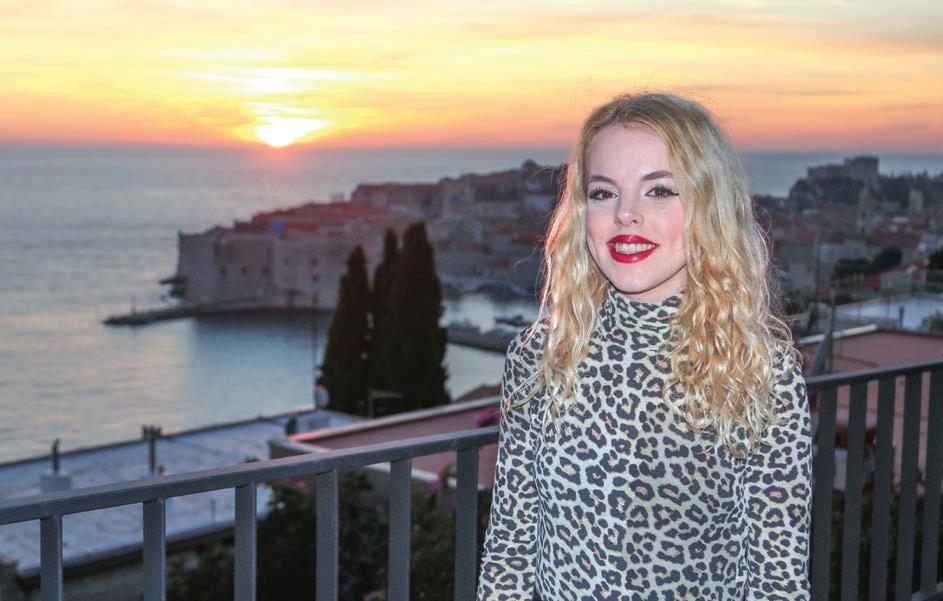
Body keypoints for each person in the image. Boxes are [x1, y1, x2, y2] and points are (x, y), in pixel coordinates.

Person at [476, 92, 813, 600]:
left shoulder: (758, 373)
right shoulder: (541, 357)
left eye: (659, 191)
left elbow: (777, 582)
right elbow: (510, 554)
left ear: (708, 207)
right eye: (603, 192)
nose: (625, 214)